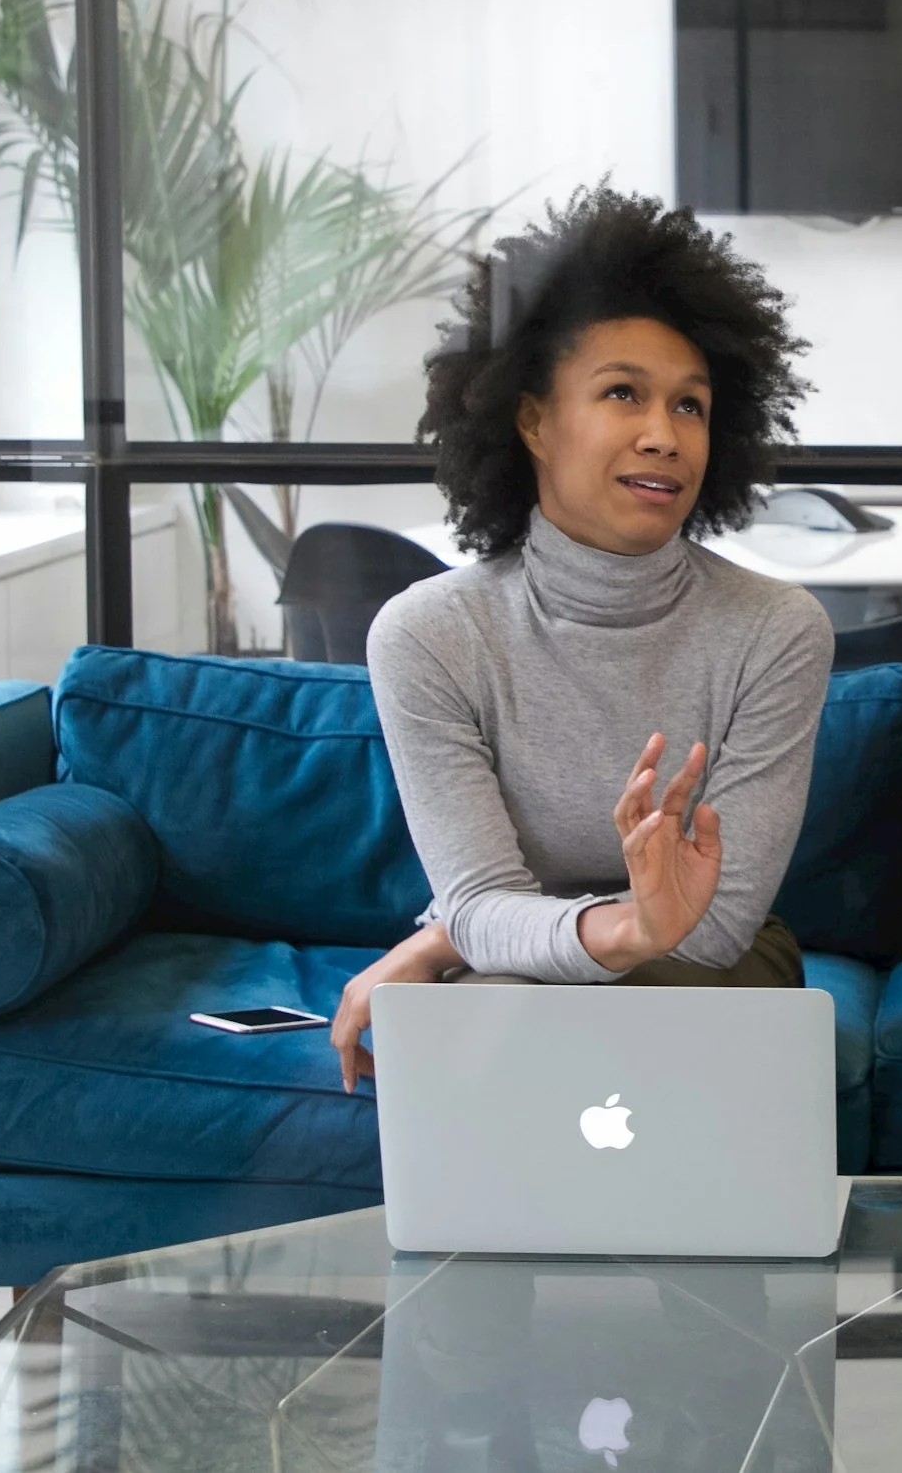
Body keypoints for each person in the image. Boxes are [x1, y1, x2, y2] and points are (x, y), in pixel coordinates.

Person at [330, 183, 834, 1091]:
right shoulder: (430, 635)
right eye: (622, 393)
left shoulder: (776, 630)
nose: (664, 435)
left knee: (503, 1006)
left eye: (690, 406)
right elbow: (482, 902)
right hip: (521, 969)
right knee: (486, 1017)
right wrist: (586, 926)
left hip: (714, 974)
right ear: (531, 419)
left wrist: (454, 940)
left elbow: (713, 928)